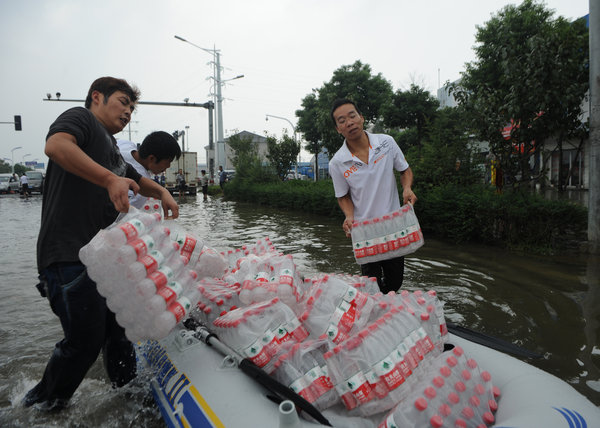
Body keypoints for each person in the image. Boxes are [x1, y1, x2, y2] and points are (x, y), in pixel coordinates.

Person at [24, 76, 179, 411]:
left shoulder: (109, 147)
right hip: (66, 254)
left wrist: (163, 191)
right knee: (84, 342)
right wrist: (109, 179)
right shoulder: (81, 120)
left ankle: (129, 398)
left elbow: (137, 181)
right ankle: (40, 407)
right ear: (97, 97)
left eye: (132, 108)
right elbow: (56, 146)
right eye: (123, 102)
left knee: (118, 332)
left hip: (98, 259)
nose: (128, 112)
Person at [328, 98, 417, 293]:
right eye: (342, 120)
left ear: (361, 118)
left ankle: (386, 308)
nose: (349, 122)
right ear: (338, 129)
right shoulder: (338, 162)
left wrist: (407, 188)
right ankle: (376, 314)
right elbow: (343, 196)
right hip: (365, 231)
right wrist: (349, 217)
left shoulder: (386, 142)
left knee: (395, 282)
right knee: (371, 285)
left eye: (352, 116)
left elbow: (404, 170)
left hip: (393, 226)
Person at [117, 132, 182, 209]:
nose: (168, 166)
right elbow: (122, 216)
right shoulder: (139, 190)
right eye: (168, 162)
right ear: (152, 158)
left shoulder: (125, 144)